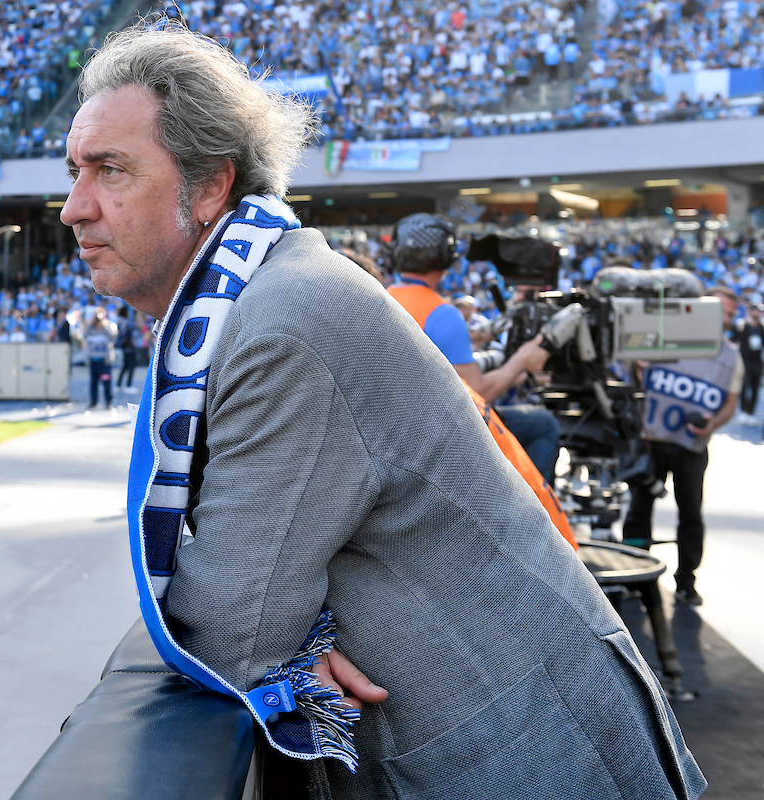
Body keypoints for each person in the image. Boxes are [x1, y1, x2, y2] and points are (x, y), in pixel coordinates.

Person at [60, 21, 704, 798]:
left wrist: (286, 639)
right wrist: (293, 636)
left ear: (209, 186)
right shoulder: (271, 288)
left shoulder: (281, 327)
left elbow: (229, 625)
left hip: (534, 756)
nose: (73, 208)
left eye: (110, 170)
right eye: (74, 172)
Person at [387, 213, 561, 479]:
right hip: (439, 438)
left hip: (401, 432)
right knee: (544, 425)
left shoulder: (386, 297)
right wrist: (521, 361)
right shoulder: (443, 314)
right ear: (446, 256)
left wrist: (481, 335)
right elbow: (477, 395)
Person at [623, 287, 744, 606]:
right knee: (638, 509)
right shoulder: (665, 336)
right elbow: (629, 364)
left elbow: (730, 404)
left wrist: (712, 422)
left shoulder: (731, 356)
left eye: (731, 314)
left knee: (691, 514)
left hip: (692, 446)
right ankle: (632, 570)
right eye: (722, 311)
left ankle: (687, 580)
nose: (726, 319)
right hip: (652, 441)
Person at [730, 301, 762, 425]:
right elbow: (732, 341)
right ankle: (744, 411)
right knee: (744, 386)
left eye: (759, 311)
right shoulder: (741, 326)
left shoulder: (761, 327)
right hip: (743, 360)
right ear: (750, 311)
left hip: (757, 361)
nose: (758, 313)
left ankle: (751, 413)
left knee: (755, 388)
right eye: (756, 311)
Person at [83, 308, 117, 408]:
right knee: (93, 382)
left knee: (106, 382)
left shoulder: (109, 326)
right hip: (93, 360)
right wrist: (91, 323)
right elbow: (84, 335)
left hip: (104, 361)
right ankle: (93, 401)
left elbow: (113, 336)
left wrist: (104, 325)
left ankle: (108, 402)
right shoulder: (90, 327)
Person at [115, 305, 139, 388]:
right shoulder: (126, 322)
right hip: (129, 346)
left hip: (125, 346)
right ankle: (128, 385)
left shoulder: (119, 320)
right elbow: (130, 331)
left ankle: (119, 384)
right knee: (131, 365)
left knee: (125, 366)